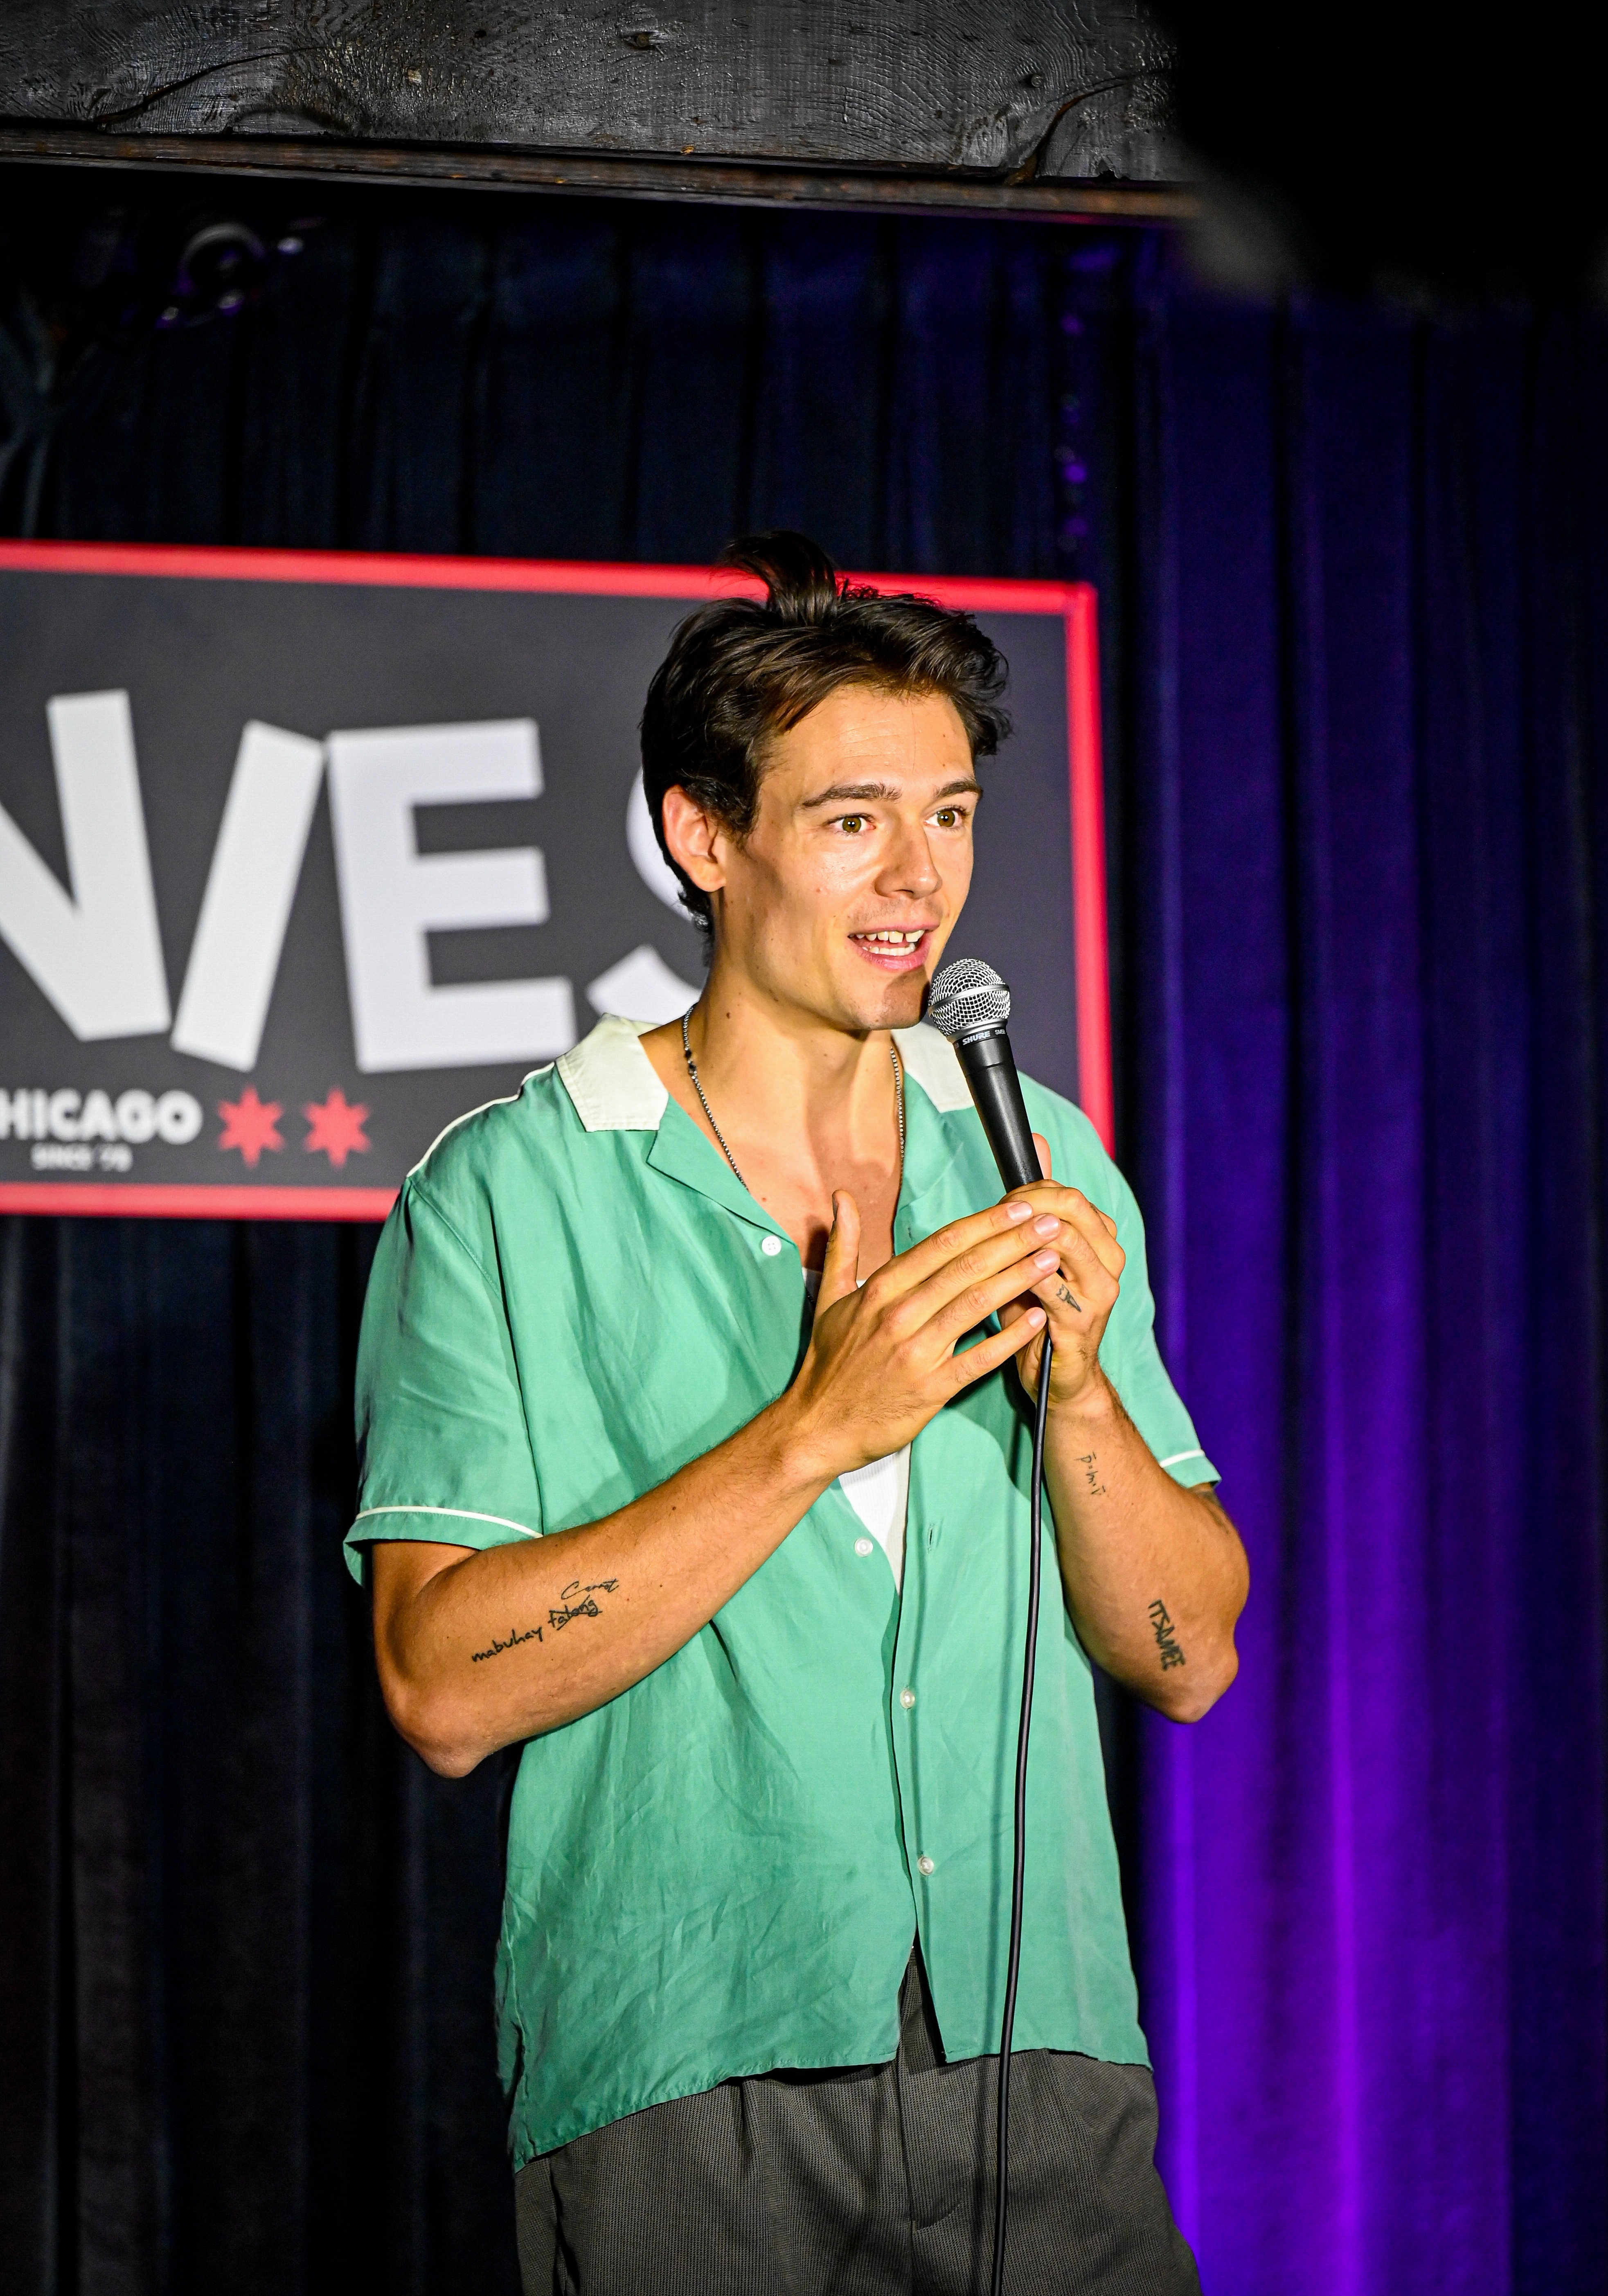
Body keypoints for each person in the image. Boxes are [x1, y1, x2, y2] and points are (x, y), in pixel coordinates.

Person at [346, 533, 1248, 2294]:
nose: (918, 877)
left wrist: (1074, 1397)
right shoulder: (515, 1191)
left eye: (952, 814)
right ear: (703, 834)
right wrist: (811, 1430)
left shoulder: (1034, 1158)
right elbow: (440, 1690)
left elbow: (1187, 1652)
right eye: (851, 818)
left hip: (1043, 2065)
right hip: (697, 2084)